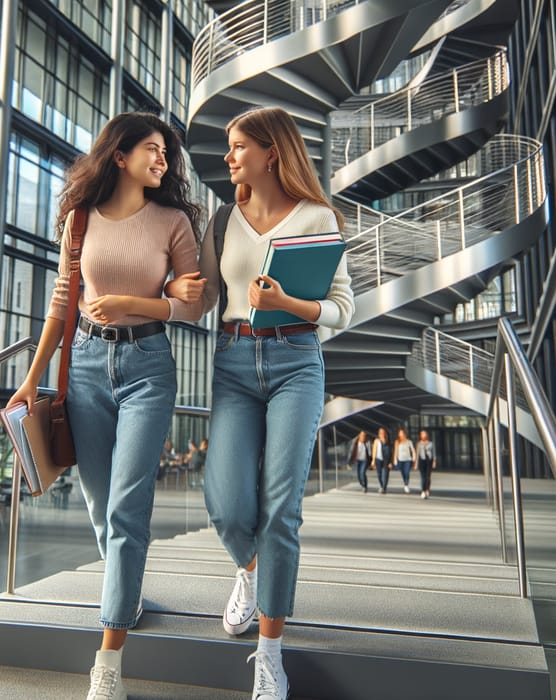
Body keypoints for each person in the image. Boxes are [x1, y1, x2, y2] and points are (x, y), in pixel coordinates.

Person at [7, 112, 203, 700]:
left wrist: (133, 301)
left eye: (167, 152)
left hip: (148, 368)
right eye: (152, 148)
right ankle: (128, 591)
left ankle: (109, 661)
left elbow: (193, 306)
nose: (164, 158)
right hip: (86, 368)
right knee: (99, 505)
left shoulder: (174, 221)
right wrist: (31, 380)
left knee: (126, 507)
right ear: (119, 156)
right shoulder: (79, 220)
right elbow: (62, 305)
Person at [172, 106, 354, 700]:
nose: (228, 157)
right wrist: (169, 290)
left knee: (281, 509)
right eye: (229, 147)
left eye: (238, 146)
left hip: (297, 362)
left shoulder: (316, 216)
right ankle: (249, 573)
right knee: (225, 503)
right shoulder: (223, 220)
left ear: (272, 152)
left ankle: (270, 653)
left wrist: (287, 304)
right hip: (232, 360)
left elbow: (341, 308)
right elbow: (198, 299)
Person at [393, 427, 416, 493]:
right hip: (400, 459)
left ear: (405, 434)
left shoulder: (409, 441)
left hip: (407, 459)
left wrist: (414, 458)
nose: (401, 434)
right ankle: (405, 482)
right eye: (400, 433)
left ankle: (406, 484)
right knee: (403, 473)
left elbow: (413, 450)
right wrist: (395, 459)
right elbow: (396, 451)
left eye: (402, 433)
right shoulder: (397, 442)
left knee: (407, 472)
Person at [415, 429, 436, 499]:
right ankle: (423, 490)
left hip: (429, 460)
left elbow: (434, 453)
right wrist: (416, 463)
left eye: (424, 434)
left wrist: (434, 461)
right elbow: (417, 454)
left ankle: (427, 489)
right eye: (422, 434)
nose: (423, 435)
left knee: (428, 476)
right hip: (422, 460)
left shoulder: (431, 443)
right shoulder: (419, 444)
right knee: (423, 476)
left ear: (427, 435)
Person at [372, 427, 392, 494]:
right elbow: (374, 451)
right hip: (378, 459)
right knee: (379, 474)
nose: (382, 434)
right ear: (379, 433)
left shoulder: (388, 441)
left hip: (386, 460)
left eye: (383, 432)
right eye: (380, 432)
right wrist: (373, 460)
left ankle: (384, 488)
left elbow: (391, 452)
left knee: (385, 475)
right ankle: (381, 485)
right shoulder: (376, 441)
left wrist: (390, 462)